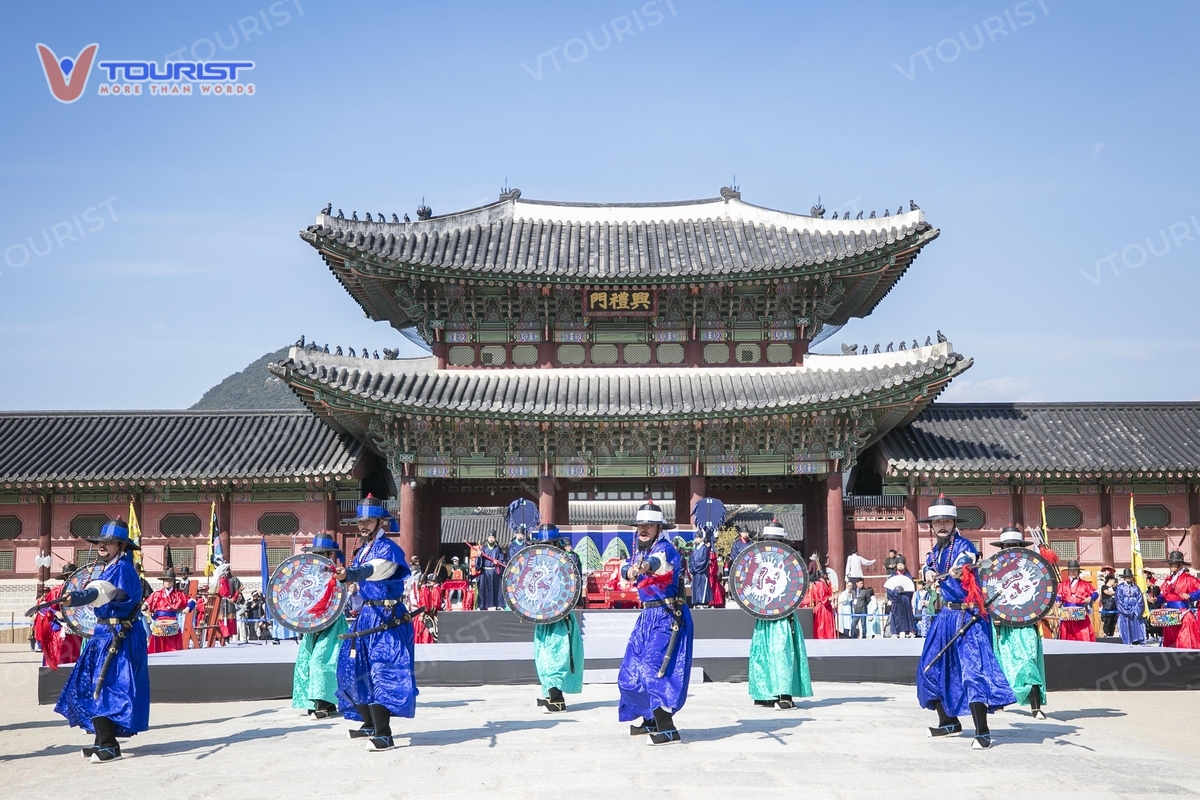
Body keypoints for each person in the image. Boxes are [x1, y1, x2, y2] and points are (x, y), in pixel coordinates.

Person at [917, 496, 1015, 750]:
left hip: (969, 617)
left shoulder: (964, 546)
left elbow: (967, 561)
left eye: (946, 521)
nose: (941, 525)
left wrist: (960, 569)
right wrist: (926, 572)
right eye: (937, 521)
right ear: (932, 525)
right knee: (929, 668)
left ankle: (982, 732)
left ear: (953, 523)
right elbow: (927, 568)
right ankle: (948, 721)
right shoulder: (934, 552)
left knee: (973, 672)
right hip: (946, 617)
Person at [53, 519, 150, 763]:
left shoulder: (123, 569)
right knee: (90, 684)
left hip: (120, 636)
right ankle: (101, 740)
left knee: (106, 685)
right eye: (100, 541)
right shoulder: (109, 567)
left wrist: (75, 599)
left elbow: (101, 593)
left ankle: (109, 745)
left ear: (121, 545)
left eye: (108, 542)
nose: (102, 545)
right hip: (103, 634)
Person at [335, 495, 417, 751]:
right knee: (351, 666)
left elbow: (376, 570)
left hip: (388, 619)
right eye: (360, 520)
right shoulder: (363, 550)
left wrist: (351, 574)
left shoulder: (388, 549)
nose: (363, 525)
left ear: (380, 522)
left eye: (369, 520)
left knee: (382, 672)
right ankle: (369, 722)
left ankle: (384, 733)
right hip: (367, 617)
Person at [618, 501, 693, 745]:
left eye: (649, 524)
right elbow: (627, 568)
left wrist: (645, 567)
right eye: (641, 524)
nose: (644, 528)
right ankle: (650, 719)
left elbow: (658, 563)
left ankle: (668, 728)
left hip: (667, 616)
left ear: (659, 527)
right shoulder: (639, 552)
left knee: (653, 667)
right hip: (646, 617)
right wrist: (629, 570)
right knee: (630, 670)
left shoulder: (665, 549)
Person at [747, 520, 812, 709]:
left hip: (782, 614)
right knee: (769, 652)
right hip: (768, 613)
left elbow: (795, 587)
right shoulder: (757, 559)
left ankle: (780, 694)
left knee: (776, 651)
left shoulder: (791, 561)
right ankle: (768, 694)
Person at [988, 527, 1048, 720]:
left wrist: (1038, 611)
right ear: (1002, 547)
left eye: (1015, 545)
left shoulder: (1033, 568)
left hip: (1025, 623)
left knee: (1029, 662)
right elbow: (986, 594)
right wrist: (993, 613)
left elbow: (1042, 594)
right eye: (1007, 545)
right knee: (1003, 662)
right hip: (1003, 624)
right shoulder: (992, 569)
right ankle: (1001, 700)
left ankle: (1036, 707)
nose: (1011, 548)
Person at [292, 533, 350, 720]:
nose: (321, 556)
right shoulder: (306, 575)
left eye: (324, 552)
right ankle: (314, 701)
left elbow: (340, 599)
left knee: (323, 661)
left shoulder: (337, 574)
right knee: (307, 661)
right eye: (317, 552)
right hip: (311, 624)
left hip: (332, 623)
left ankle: (324, 703)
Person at [531, 524, 585, 713]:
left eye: (549, 543)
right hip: (542, 616)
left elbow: (573, 585)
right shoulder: (536, 562)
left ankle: (557, 698)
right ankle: (550, 694)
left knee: (557, 656)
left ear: (556, 543)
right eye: (543, 543)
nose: (546, 546)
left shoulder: (566, 562)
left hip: (561, 617)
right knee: (542, 656)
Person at [33, 563, 83, 669]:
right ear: (64, 577)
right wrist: (55, 612)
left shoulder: (81, 592)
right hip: (60, 632)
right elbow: (43, 607)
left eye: (74, 574)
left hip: (76, 632)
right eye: (69, 575)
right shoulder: (56, 591)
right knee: (59, 658)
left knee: (75, 660)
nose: (71, 577)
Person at [1158, 550, 1200, 649]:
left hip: (1183, 614)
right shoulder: (1168, 580)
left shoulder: (1189, 579)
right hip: (1169, 616)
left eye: (1174, 563)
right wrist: (1156, 599)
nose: (1171, 565)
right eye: (1170, 563)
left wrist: (1191, 596)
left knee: (1184, 641)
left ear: (1180, 564)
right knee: (1171, 643)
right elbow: (1163, 595)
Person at [145, 569, 194, 653]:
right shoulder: (157, 594)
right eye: (166, 581)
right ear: (163, 582)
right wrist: (145, 607)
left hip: (172, 621)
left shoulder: (178, 594)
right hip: (159, 622)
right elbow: (147, 603)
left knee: (174, 645)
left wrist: (188, 608)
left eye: (170, 580)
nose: (167, 582)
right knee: (157, 645)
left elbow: (192, 601)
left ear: (173, 582)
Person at [1056, 560, 1098, 642]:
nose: (1072, 572)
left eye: (1074, 570)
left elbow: (1095, 593)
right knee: (1067, 637)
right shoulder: (1062, 584)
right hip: (1067, 614)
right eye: (1070, 570)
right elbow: (1058, 596)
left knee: (1083, 636)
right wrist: (1058, 601)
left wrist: (1090, 598)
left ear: (1078, 571)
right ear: (1068, 572)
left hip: (1081, 613)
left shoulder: (1085, 584)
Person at [885, 560, 917, 637]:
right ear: (896, 565)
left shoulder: (908, 576)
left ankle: (910, 631)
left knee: (908, 614)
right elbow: (889, 588)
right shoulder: (893, 576)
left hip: (905, 597)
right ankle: (895, 632)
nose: (900, 566)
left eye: (902, 564)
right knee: (896, 615)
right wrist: (896, 593)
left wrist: (905, 592)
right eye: (898, 564)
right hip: (896, 598)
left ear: (905, 565)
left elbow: (910, 588)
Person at [1115, 568, 1147, 645]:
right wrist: (1127, 611)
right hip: (1125, 615)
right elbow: (1119, 601)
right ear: (1124, 578)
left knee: (1136, 632)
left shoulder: (1136, 587)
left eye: (1130, 576)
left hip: (1135, 614)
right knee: (1126, 632)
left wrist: (1136, 611)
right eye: (1127, 577)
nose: (1128, 578)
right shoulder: (1120, 588)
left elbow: (1140, 600)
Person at [475, 532, 506, 610]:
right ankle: (481, 606)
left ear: (495, 539)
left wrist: (498, 562)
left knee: (497, 589)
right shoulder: (483, 549)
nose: (491, 539)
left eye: (493, 537)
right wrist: (479, 556)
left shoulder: (498, 549)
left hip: (494, 571)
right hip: (485, 572)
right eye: (490, 537)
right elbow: (478, 564)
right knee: (482, 589)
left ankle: (499, 605)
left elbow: (503, 561)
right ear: (487, 538)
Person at [803, 572, 837, 639]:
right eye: (826, 574)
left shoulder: (818, 584)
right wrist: (831, 598)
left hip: (820, 606)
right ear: (822, 575)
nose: (827, 575)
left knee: (821, 625)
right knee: (824, 625)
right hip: (823, 608)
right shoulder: (820, 584)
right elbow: (823, 598)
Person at [688, 531, 713, 608]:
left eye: (698, 538)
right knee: (695, 587)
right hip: (695, 573)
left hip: (702, 572)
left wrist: (696, 567)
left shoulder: (704, 549)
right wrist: (692, 568)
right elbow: (691, 559)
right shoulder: (695, 549)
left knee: (702, 587)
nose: (696, 539)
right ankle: (696, 602)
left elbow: (704, 561)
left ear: (701, 538)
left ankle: (703, 603)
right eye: (695, 537)